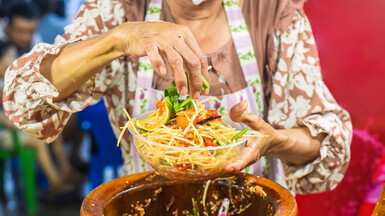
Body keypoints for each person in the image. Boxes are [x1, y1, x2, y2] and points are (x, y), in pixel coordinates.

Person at [2, 0, 352, 195]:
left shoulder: (272, 11)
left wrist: (276, 141)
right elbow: (22, 99)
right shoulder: (120, 10)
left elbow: (328, 139)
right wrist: (117, 40)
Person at [0, 41, 74, 194]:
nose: (15, 60)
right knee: (38, 142)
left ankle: (66, 170)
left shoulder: (9, 82)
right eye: (10, 57)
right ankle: (54, 181)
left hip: (14, 128)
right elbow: (5, 120)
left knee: (52, 129)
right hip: (5, 134)